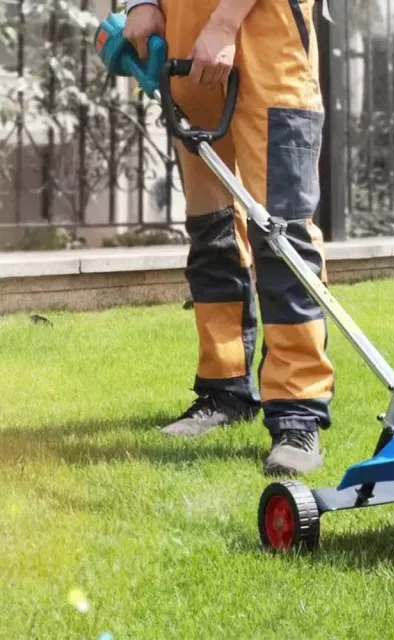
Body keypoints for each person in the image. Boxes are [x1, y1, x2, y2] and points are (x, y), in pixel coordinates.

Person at [123, 0, 334, 476]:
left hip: (268, 37)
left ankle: (297, 411)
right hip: (189, 45)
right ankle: (224, 390)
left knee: (283, 235)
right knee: (211, 229)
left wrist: (223, 24)